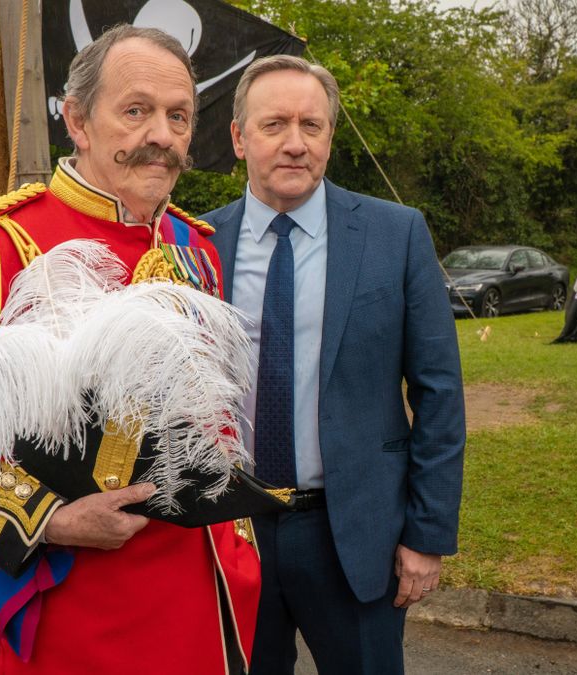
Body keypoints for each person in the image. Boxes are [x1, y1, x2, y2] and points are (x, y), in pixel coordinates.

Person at [0, 25, 259, 675]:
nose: (161, 135)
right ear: (77, 120)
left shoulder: (194, 247)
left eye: (178, 116)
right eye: (136, 110)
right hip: (79, 617)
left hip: (207, 600)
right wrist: (49, 518)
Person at [201, 55, 466, 674]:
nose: (295, 144)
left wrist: (427, 536)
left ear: (330, 137)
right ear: (239, 138)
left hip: (355, 538)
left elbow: (439, 393)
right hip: (229, 533)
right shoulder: (196, 247)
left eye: (311, 126)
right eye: (274, 126)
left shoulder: (395, 234)